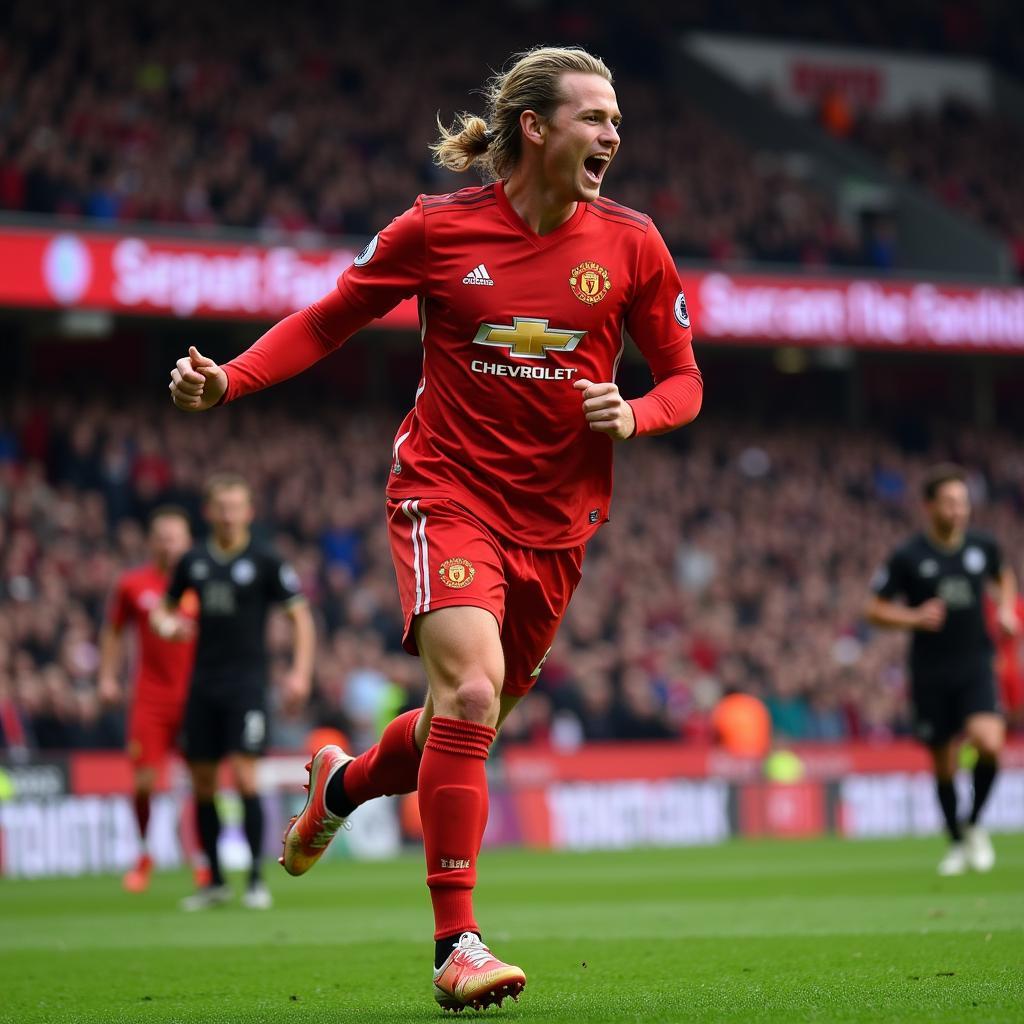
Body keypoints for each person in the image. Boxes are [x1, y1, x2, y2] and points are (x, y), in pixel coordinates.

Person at [167, 45, 702, 1009]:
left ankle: (340, 786)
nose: (613, 135)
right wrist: (231, 379)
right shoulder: (437, 229)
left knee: (471, 715)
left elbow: (685, 380)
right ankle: (458, 943)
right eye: (594, 118)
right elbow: (329, 320)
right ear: (535, 127)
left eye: (618, 120)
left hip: (559, 526)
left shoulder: (633, 244)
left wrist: (639, 413)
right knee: (470, 690)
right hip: (444, 492)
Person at [152, 474, 314, 911]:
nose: (228, 514)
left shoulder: (264, 558)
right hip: (203, 685)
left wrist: (300, 673)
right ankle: (216, 882)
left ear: (248, 511)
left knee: (244, 776)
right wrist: (167, 626)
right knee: (202, 782)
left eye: (235, 506)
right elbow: (163, 610)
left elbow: (300, 617)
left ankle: (257, 879)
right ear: (208, 512)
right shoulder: (194, 560)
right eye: (220, 507)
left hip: (247, 686)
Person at [865, 464, 1018, 876]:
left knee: (989, 741)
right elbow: (874, 608)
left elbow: (1003, 576)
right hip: (930, 670)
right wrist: (912, 618)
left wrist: (1005, 607)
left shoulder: (983, 546)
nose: (958, 510)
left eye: (963, 502)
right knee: (943, 760)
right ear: (929, 506)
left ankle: (973, 824)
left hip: (975, 663)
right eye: (949, 502)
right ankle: (955, 840)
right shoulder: (909, 556)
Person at [97, 506, 202, 893]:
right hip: (150, 699)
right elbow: (113, 631)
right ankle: (143, 854)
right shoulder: (133, 584)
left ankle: (202, 859)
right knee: (143, 783)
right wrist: (107, 677)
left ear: (188, 542)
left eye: (176, 538)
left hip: (195, 697)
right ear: (151, 542)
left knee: (201, 782)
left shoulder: (203, 582)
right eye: (162, 537)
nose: (169, 545)